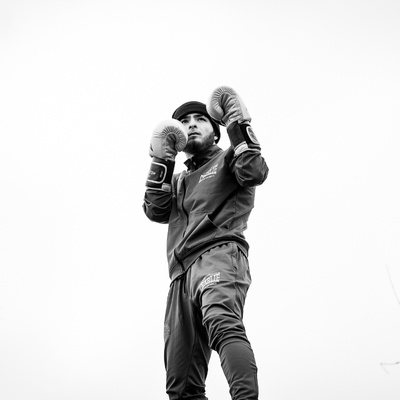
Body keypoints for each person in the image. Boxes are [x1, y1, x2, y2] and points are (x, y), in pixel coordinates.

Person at [143, 86, 269, 400]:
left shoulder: (229, 158)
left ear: (215, 130)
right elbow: (155, 210)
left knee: (222, 323)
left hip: (219, 253)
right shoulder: (177, 181)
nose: (191, 124)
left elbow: (255, 171)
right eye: (184, 122)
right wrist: (162, 159)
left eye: (200, 119)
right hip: (180, 275)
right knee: (181, 380)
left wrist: (238, 124)